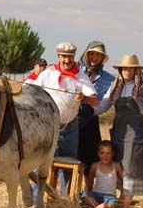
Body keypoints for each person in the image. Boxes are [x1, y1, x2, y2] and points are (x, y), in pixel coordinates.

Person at [33, 42, 99, 194]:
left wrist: (83, 98)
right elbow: (33, 94)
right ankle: (37, 200)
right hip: (48, 127)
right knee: (41, 164)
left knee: (69, 164)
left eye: (70, 57)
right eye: (64, 56)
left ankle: (66, 203)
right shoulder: (47, 75)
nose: (67, 60)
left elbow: (95, 100)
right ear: (58, 56)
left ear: (74, 57)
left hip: (70, 127)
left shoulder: (81, 77)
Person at [95, 54, 143, 208]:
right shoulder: (115, 86)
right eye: (124, 68)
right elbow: (102, 107)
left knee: (131, 171)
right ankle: (121, 207)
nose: (127, 71)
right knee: (120, 168)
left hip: (137, 134)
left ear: (136, 70)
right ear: (120, 70)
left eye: (130, 68)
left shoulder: (142, 87)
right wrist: (84, 107)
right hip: (119, 133)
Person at [77, 41, 115, 177]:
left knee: (90, 159)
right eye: (91, 54)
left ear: (102, 58)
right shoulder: (75, 70)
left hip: (90, 121)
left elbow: (106, 102)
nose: (94, 57)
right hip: (71, 119)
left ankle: (87, 192)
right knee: (69, 158)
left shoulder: (109, 79)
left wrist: (92, 110)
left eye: (98, 55)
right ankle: (68, 193)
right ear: (86, 55)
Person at [81, 140, 124, 208]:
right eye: (102, 153)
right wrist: (88, 196)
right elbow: (90, 183)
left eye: (108, 153)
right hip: (95, 194)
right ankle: (99, 207)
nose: (105, 156)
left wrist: (121, 197)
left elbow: (125, 181)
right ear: (98, 154)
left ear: (112, 154)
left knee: (113, 203)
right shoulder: (95, 166)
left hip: (110, 197)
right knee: (83, 195)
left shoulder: (116, 166)